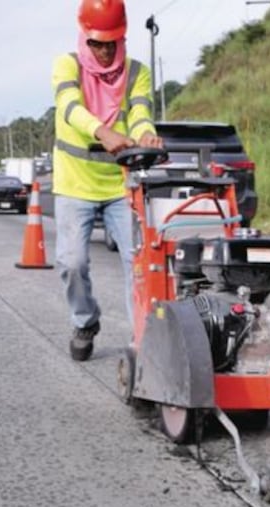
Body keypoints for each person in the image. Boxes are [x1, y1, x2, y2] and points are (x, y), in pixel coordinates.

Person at [51, 0, 163, 361]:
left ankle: (144, 340)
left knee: (140, 262)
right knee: (72, 263)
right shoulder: (67, 65)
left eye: (110, 44)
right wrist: (103, 132)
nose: (103, 52)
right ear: (85, 36)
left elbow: (141, 112)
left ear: (121, 38)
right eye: (96, 44)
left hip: (120, 183)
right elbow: (69, 107)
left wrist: (145, 134)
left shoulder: (137, 71)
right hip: (75, 183)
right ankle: (85, 321)